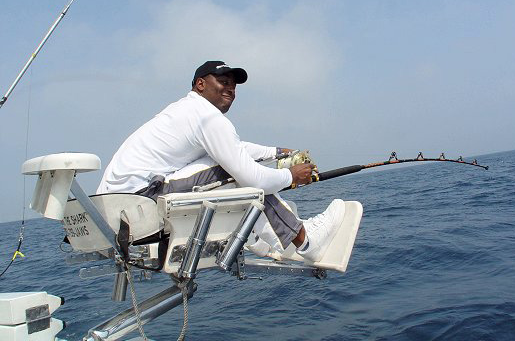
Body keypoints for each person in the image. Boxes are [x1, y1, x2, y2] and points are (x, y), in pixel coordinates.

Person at [97, 61, 344, 262]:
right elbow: (250, 176)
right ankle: (305, 240)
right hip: (139, 205)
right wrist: (292, 176)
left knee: (230, 165)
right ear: (200, 84)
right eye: (223, 82)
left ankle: (262, 240)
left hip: (117, 207)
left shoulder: (186, 111)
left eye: (234, 87)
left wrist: (275, 152)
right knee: (240, 174)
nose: (231, 90)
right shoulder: (206, 116)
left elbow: (232, 148)